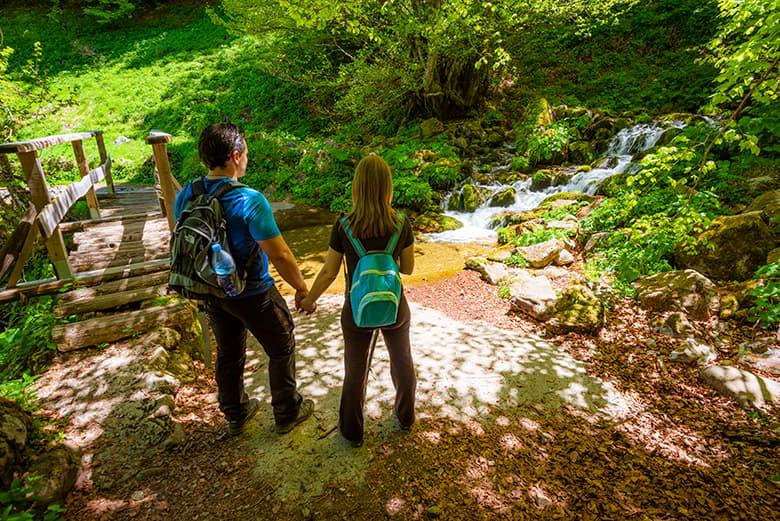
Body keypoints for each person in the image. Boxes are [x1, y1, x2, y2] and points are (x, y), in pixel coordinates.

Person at [174, 123, 314, 436]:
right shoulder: (249, 200)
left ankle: (235, 413)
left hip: (210, 290)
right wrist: (302, 288)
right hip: (252, 292)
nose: (247, 159)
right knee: (281, 345)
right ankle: (287, 411)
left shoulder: (186, 194)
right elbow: (280, 255)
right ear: (236, 156)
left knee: (229, 352)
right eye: (246, 153)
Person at [300, 154, 417, 447]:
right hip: (395, 306)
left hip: (356, 309)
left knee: (355, 369)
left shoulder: (344, 225)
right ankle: (405, 418)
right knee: (402, 361)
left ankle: (352, 432)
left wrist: (309, 300)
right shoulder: (401, 223)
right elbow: (408, 268)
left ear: (357, 188)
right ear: (387, 187)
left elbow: (328, 272)